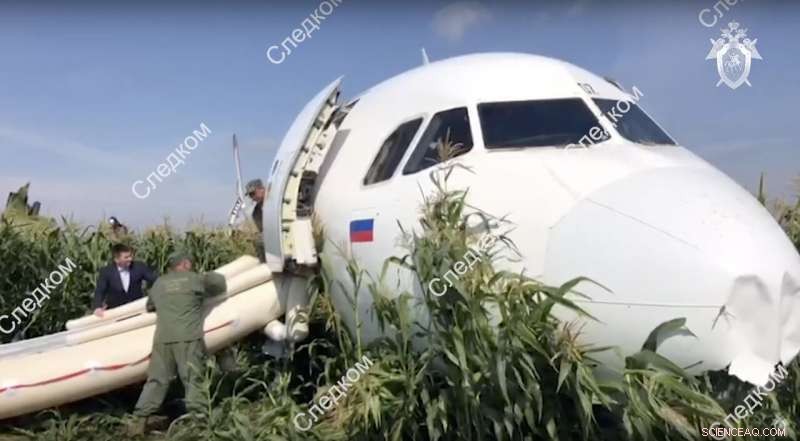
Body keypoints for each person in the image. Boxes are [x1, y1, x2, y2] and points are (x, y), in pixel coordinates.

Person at [129, 252, 227, 434]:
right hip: (188, 338)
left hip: (162, 339)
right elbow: (219, 284)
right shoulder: (195, 280)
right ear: (185, 263)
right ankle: (201, 422)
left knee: (157, 380)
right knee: (192, 379)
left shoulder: (159, 283)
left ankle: (138, 422)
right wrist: (206, 275)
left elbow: (150, 306)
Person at [93, 244, 157, 317]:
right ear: (116, 259)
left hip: (138, 309)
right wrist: (97, 307)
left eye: (130, 256)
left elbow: (154, 279)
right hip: (117, 312)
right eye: (126, 257)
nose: (130, 259)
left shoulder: (139, 267)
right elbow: (100, 291)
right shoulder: (106, 272)